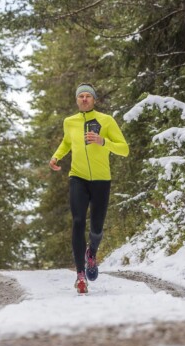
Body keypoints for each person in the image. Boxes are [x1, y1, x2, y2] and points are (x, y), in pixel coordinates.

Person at [49, 83, 129, 294]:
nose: (84, 99)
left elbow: (124, 149)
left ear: (94, 100)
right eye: (81, 96)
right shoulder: (70, 122)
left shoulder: (106, 120)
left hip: (102, 180)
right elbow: (67, 143)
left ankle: (91, 253)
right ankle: (80, 275)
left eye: (88, 96)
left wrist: (103, 141)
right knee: (77, 221)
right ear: (77, 100)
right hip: (78, 177)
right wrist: (56, 156)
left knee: (96, 228)